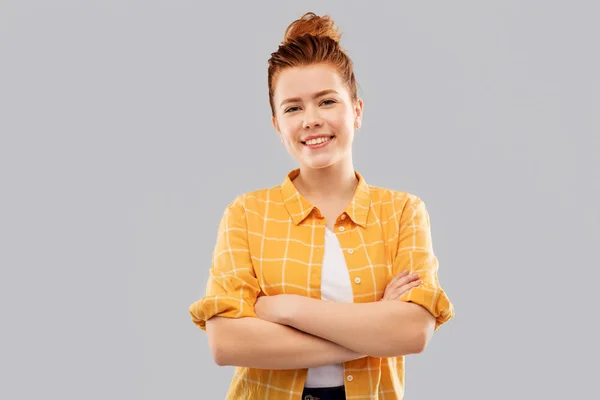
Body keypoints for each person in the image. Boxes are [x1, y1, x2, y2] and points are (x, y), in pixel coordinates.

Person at [188, 11, 454, 400]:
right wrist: (374, 332)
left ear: (357, 111)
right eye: (293, 108)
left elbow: (413, 332)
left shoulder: (401, 212)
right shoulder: (246, 214)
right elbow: (226, 342)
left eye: (326, 101)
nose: (311, 120)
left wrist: (283, 308)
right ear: (278, 124)